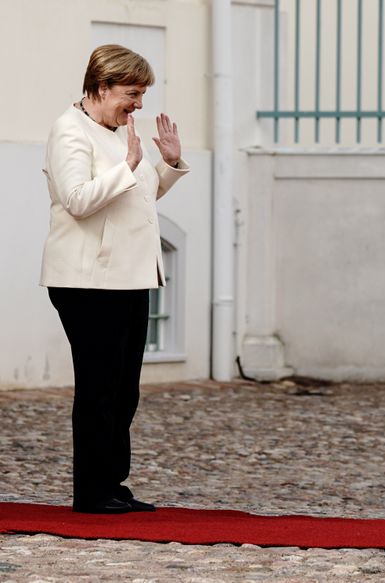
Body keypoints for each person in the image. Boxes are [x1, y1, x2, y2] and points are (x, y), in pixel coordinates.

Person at [41, 44, 189, 514]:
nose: (139, 104)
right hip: (88, 281)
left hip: (129, 276)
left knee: (125, 389)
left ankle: (113, 485)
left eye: (143, 93)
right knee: (98, 388)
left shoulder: (119, 129)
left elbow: (137, 197)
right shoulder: (70, 131)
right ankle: (91, 492)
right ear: (101, 86)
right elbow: (79, 200)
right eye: (133, 92)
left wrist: (166, 163)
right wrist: (127, 165)